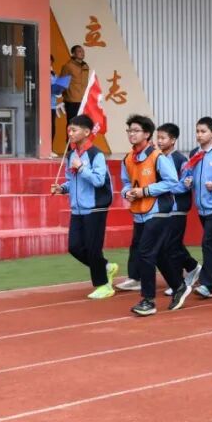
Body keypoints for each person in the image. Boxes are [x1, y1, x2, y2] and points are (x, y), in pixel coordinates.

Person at [120, 114, 187, 316]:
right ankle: (179, 286)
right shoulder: (128, 158)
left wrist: (146, 191)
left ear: (147, 134)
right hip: (139, 212)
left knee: (145, 253)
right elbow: (125, 182)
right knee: (158, 254)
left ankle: (148, 300)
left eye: (136, 131)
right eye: (129, 130)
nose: (131, 134)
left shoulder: (158, 157)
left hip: (159, 211)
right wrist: (127, 193)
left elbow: (172, 181)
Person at [51, 114, 118, 299]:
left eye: (74, 130)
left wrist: (81, 168)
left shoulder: (96, 154)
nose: (70, 133)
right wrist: (62, 188)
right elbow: (71, 180)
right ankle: (106, 267)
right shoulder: (71, 155)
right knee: (74, 247)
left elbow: (98, 180)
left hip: (95, 207)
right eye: (69, 130)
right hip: (77, 208)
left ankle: (104, 285)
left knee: (93, 248)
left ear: (87, 132)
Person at [182, 117, 212, 298]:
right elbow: (188, 172)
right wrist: (188, 180)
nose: (199, 135)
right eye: (197, 131)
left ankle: (207, 284)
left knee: (208, 243)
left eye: (203, 131)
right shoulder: (194, 153)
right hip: (200, 207)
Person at [155, 123, 202, 297]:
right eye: (158, 138)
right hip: (164, 208)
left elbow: (184, 185)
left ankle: (178, 281)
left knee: (171, 246)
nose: (159, 141)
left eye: (163, 138)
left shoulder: (180, 160)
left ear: (173, 140)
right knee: (171, 245)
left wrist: (164, 188)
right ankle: (192, 267)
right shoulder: (158, 157)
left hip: (177, 208)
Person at [60, 44, 90, 118]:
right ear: (73, 54)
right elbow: (62, 82)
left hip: (84, 100)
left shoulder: (85, 66)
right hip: (72, 100)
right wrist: (67, 96)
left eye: (83, 51)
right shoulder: (68, 66)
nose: (82, 53)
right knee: (72, 122)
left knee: (82, 122)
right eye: (79, 51)